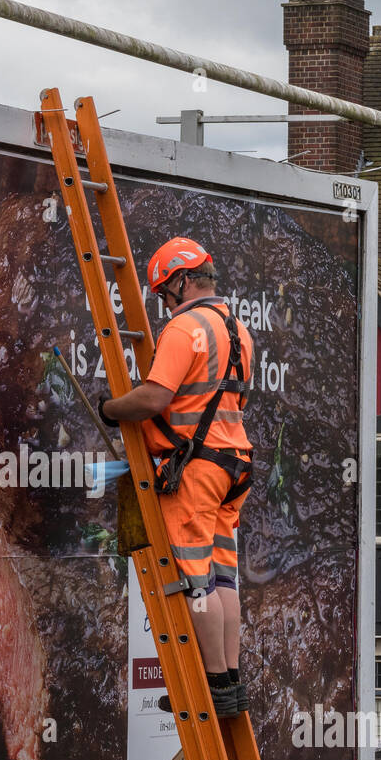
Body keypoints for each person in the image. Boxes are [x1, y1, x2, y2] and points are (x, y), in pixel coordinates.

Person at [99, 237, 254, 717]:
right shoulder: (239, 330)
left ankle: (211, 686)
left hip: (197, 470)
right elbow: (234, 401)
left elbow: (153, 398)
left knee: (195, 583)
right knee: (224, 577)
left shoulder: (185, 328)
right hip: (235, 466)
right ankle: (229, 680)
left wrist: (109, 409)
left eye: (166, 292)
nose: (164, 304)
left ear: (185, 281)